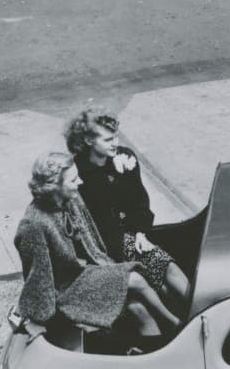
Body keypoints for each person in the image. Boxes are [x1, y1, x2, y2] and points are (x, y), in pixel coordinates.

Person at [14, 152, 182, 347]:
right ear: (55, 187)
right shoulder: (34, 225)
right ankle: (176, 325)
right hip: (66, 289)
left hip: (86, 273)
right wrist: (39, 318)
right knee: (134, 278)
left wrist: (105, 267)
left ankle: (157, 352)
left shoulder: (71, 200)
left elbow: (91, 242)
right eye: (74, 179)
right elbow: (37, 275)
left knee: (138, 309)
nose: (81, 182)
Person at [64, 108, 191, 316]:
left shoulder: (124, 157)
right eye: (107, 140)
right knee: (161, 281)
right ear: (88, 140)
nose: (115, 143)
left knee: (169, 268)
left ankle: (200, 313)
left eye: (115, 137)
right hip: (107, 244)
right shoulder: (78, 172)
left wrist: (141, 232)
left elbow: (140, 201)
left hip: (134, 236)